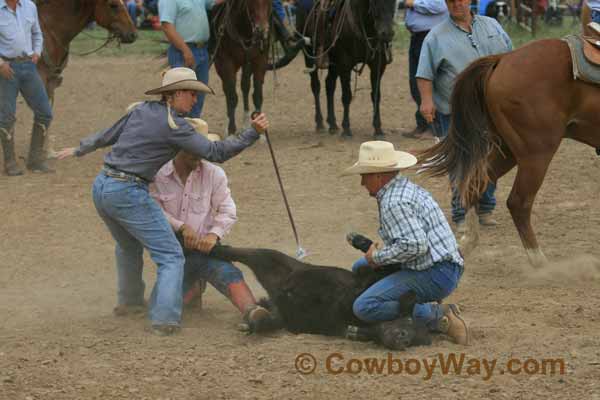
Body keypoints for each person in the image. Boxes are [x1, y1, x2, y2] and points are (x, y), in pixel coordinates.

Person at [56, 67, 270, 336]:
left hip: (102, 185)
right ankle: (165, 320)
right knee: (170, 255)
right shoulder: (174, 126)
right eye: (191, 94)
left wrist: (80, 148)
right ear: (176, 93)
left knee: (127, 245)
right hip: (127, 189)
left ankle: (130, 302)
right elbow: (216, 152)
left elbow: (109, 134)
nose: (194, 100)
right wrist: (252, 132)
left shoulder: (142, 110)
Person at [342, 140, 469, 345]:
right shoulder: (404, 190)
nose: (362, 183)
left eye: (364, 176)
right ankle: (422, 305)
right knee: (360, 267)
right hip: (442, 265)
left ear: (377, 176)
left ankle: (437, 316)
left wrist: (378, 257)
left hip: (435, 272)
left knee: (364, 306)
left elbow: (416, 245)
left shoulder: (393, 202)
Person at [150, 118, 271, 326]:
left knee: (224, 271)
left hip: (207, 248)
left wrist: (214, 235)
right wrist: (182, 227)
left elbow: (227, 209)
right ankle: (197, 288)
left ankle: (252, 311)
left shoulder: (214, 174)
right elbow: (153, 210)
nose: (200, 154)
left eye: (202, 148)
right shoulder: (157, 176)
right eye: (193, 148)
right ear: (178, 148)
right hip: (175, 252)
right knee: (159, 304)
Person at [416, 0, 512, 231]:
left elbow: (511, 59)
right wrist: (426, 101)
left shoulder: (493, 26)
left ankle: (486, 208)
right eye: (450, 0)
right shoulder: (435, 36)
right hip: (455, 111)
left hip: (492, 107)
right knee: (461, 160)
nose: (456, 4)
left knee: (490, 156)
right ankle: (461, 213)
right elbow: (424, 73)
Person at [0, 0, 54, 176]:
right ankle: (10, 162)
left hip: (29, 66)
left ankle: (35, 159)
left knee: (45, 112)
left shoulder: (30, 6)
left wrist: (37, 52)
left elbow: (37, 33)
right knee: (6, 116)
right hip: (6, 69)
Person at [159, 0, 227, 118]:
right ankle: (178, 129)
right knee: (181, 98)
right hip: (182, 52)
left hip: (201, 50)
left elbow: (215, 1)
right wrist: (185, 50)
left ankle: (192, 128)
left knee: (197, 97)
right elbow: (166, 26)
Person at [400, 0, 447, 140]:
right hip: (417, 38)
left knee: (429, 81)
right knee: (415, 82)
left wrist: (413, 4)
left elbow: (440, 6)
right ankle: (423, 123)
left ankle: (434, 127)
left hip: (430, 37)